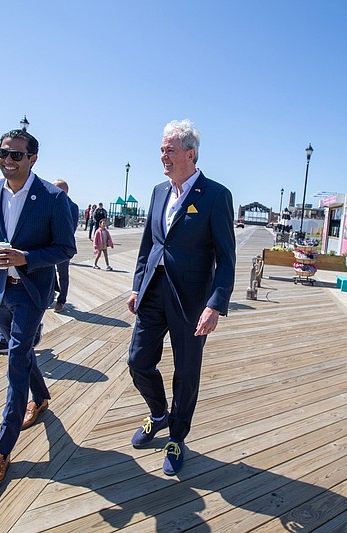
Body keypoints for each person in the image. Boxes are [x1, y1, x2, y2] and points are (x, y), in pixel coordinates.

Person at [125, 119, 236, 475]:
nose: (163, 157)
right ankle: (159, 413)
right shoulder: (159, 191)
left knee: (186, 373)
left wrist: (216, 304)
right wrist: (136, 285)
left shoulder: (216, 195)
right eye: (161, 150)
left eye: (169, 150)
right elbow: (149, 244)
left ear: (190, 154)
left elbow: (226, 257)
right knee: (137, 361)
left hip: (192, 300)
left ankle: (177, 436)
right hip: (154, 292)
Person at [0, 128, 76, 489]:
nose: (7, 160)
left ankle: (2, 451)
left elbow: (66, 249)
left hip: (32, 291)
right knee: (21, 351)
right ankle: (43, 397)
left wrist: (27, 258)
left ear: (32, 158)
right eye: (2, 152)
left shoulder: (52, 197)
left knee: (17, 358)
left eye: (16, 154)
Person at [53, 179, 79, 312]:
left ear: (64, 191)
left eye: (55, 188)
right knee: (48, 272)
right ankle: (51, 293)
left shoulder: (72, 206)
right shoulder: (48, 202)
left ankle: (61, 300)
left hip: (63, 246)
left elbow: (72, 228)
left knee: (63, 274)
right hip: (47, 246)